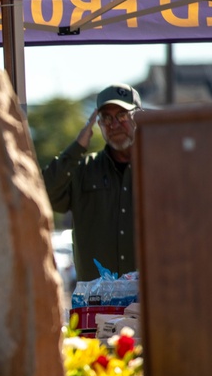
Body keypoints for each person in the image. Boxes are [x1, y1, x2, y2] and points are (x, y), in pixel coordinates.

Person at [43, 83, 140, 282]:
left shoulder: (158, 169)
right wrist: (77, 147)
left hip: (149, 300)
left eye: (122, 115)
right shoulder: (83, 169)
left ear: (139, 117)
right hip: (95, 304)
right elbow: (41, 194)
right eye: (106, 118)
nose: (114, 124)